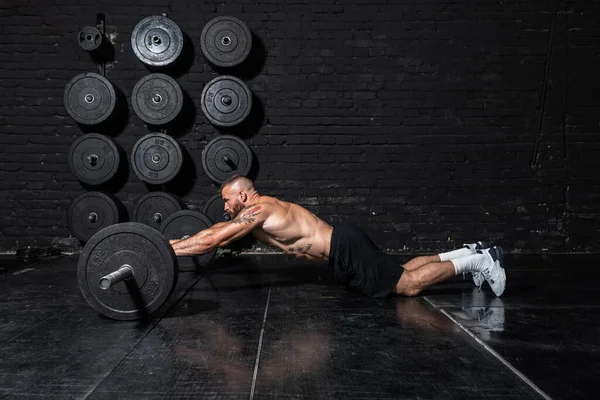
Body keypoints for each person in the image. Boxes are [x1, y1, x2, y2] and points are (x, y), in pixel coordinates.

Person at [170, 175, 506, 298]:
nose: (224, 206)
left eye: (227, 199)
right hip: (343, 247)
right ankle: (465, 253)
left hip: (343, 247)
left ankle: (480, 261)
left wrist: (166, 252)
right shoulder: (254, 215)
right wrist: (169, 245)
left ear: (242, 197)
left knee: (409, 285)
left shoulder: (259, 211)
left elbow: (212, 241)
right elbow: (216, 234)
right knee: (402, 271)